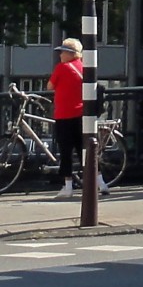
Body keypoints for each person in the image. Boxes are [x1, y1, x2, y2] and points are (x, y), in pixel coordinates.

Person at [46, 38, 107, 199]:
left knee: (66, 151)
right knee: (85, 150)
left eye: (62, 52)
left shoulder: (62, 68)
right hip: (83, 116)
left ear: (70, 53)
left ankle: (68, 186)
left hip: (64, 115)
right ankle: (101, 182)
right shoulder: (85, 68)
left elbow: (50, 86)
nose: (60, 55)